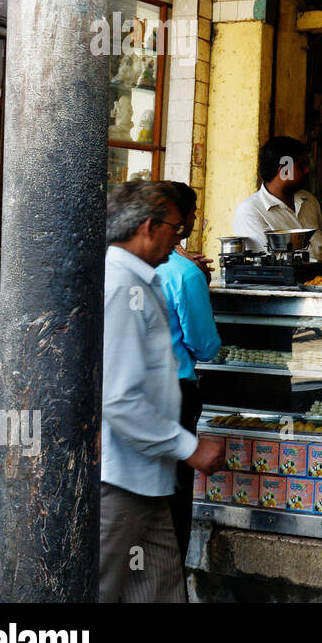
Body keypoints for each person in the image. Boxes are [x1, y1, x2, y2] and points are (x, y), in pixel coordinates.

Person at [102, 181, 225, 602]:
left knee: (160, 588)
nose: (181, 240)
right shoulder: (121, 287)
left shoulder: (143, 279)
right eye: (177, 229)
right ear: (149, 227)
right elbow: (118, 398)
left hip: (147, 476)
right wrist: (187, 447)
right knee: (101, 585)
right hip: (117, 479)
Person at [156, 181, 222, 564]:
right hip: (177, 393)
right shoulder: (185, 274)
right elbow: (206, 345)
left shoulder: (116, 268)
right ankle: (169, 577)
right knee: (175, 496)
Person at [233, 136, 322, 273]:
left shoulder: (309, 201)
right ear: (284, 170)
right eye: (301, 165)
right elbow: (270, 263)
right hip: (284, 293)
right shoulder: (251, 211)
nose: (307, 170)